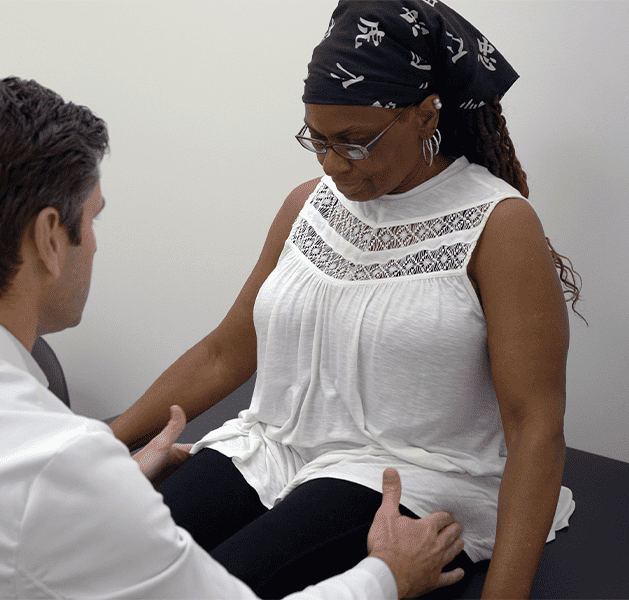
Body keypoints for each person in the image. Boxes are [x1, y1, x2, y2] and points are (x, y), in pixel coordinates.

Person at [0, 76, 466, 599]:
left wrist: (109, 476)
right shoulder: (54, 462)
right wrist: (384, 577)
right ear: (51, 239)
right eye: (95, 218)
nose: (98, 246)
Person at [109, 2, 582, 598]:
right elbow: (226, 352)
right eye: (319, 140)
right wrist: (104, 444)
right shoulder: (307, 204)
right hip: (271, 447)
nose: (333, 165)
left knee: (212, 588)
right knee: (123, 555)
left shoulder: (497, 225)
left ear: (425, 114)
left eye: (355, 143)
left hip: (405, 475)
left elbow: (535, 421)